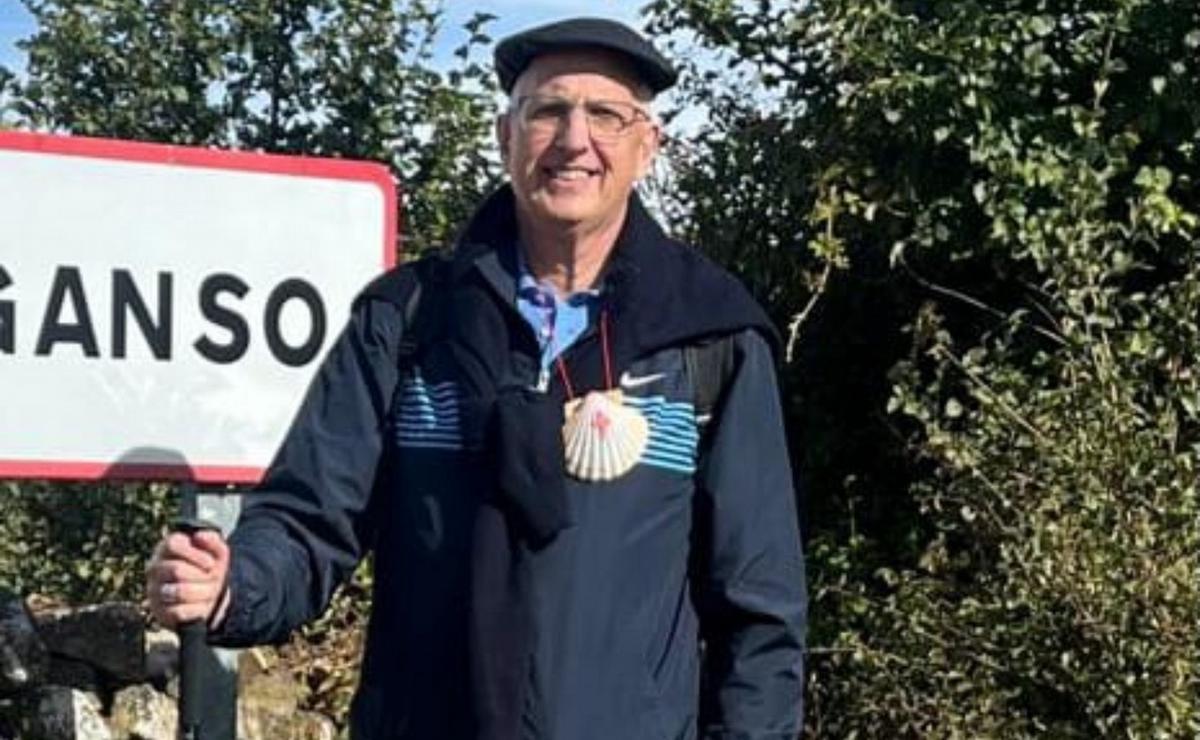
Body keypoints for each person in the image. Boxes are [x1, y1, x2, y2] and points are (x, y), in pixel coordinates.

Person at [146, 16, 806, 740]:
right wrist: (234, 583)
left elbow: (759, 610)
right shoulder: (407, 323)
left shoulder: (709, 340)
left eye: (606, 115)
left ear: (646, 147)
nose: (574, 140)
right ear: (505, 135)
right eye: (548, 110)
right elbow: (309, 521)